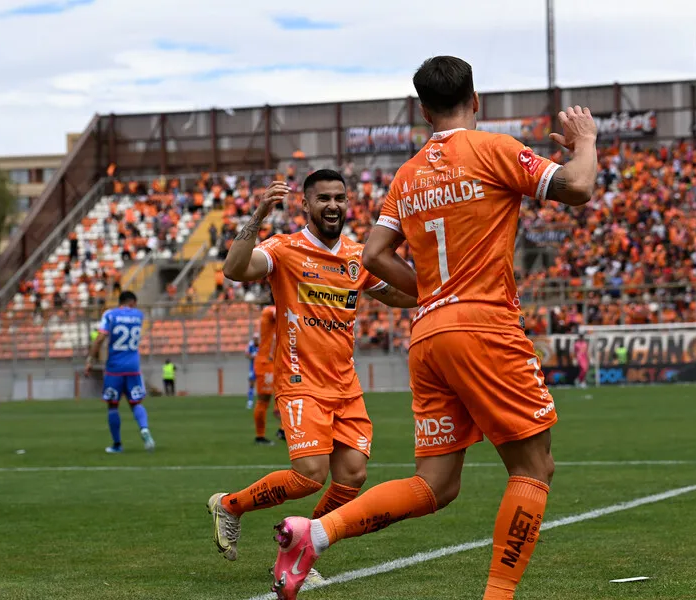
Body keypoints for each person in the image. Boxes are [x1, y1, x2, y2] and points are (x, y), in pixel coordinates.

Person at [269, 56, 598, 599]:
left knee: (436, 483)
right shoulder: (494, 149)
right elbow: (579, 186)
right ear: (476, 100)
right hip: (485, 326)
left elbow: (374, 254)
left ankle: (316, 533)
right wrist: (585, 141)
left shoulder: (408, 175)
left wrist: (433, 293)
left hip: (428, 335)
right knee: (534, 466)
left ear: (423, 111)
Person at [207, 170, 417, 577]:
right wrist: (258, 215)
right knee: (309, 476)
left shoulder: (359, 256)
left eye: (339, 197)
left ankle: (300, 550)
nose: (333, 205)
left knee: (352, 475)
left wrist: (440, 289)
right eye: (323, 198)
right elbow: (234, 268)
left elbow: (397, 294)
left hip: (345, 385)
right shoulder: (284, 249)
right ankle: (230, 505)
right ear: (305, 204)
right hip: (300, 382)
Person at [86, 291, 156, 453]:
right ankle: (144, 429)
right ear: (132, 302)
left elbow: (100, 338)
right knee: (135, 403)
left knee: (113, 405)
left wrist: (90, 359)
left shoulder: (110, 315)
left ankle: (117, 444)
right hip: (133, 367)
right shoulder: (138, 316)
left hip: (114, 368)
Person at [252, 301, 283, 444]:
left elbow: (256, 339)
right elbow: (280, 313)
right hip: (266, 363)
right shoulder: (270, 310)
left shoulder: (266, 316)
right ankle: (260, 436)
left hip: (274, 362)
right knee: (264, 400)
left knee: (286, 394)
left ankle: (283, 429)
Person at [245, 333, 259, 410]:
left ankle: (262, 402)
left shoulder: (261, 345)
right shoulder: (250, 345)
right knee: (251, 384)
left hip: (261, 368)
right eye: (254, 339)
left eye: (257, 339)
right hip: (253, 368)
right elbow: (246, 354)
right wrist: (252, 356)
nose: (255, 340)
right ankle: (250, 402)